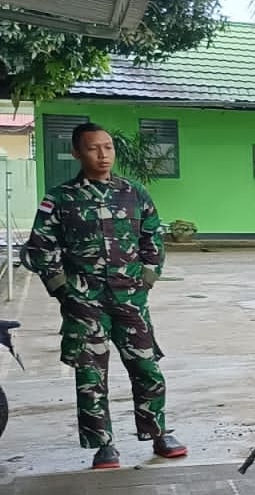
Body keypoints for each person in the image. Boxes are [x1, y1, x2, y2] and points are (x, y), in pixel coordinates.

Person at [23, 122, 187, 469]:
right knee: (91, 375)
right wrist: (64, 290)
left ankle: (158, 433)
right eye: (94, 148)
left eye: (108, 147)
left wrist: (147, 277)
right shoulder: (61, 198)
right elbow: (39, 249)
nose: (103, 155)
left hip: (130, 299)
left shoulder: (133, 192)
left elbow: (153, 237)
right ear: (77, 153)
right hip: (85, 303)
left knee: (147, 368)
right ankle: (104, 445)